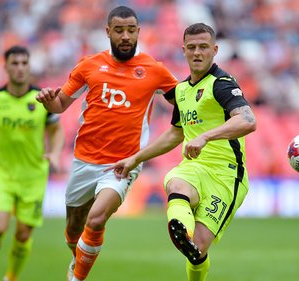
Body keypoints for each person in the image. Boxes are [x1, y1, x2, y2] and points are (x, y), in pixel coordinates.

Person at [35, 6, 178, 281]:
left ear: (138, 32)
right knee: (73, 231)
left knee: (97, 218)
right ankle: (77, 260)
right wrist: (46, 100)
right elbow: (59, 105)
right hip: (84, 161)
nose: (126, 36)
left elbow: (182, 102)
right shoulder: (89, 66)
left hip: (122, 163)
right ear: (108, 32)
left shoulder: (154, 70)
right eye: (119, 30)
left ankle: (77, 278)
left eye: (131, 30)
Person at [109, 23, 257, 281]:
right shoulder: (181, 90)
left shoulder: (221, 83)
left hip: (226, 175)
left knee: (198, 251)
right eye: (191, 48)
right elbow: (176, 133)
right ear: (183, 50)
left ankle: (188, 241)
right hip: (194, 168)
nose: (197, 53)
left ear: (215, 50)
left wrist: (205, 136)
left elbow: (247, 120)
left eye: (203, 47)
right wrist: (135, 158)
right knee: (176, 181)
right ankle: (181, 232)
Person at [0, 45, 64, 281]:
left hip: (34, 177)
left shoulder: (41, 98)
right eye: (15, 63)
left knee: (22, 235)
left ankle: (11, 277)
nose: (20, 68)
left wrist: (55, 153)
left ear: (29, 66)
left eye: (24, 63)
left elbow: (56, 130)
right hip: (3, 174)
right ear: (6, 67)